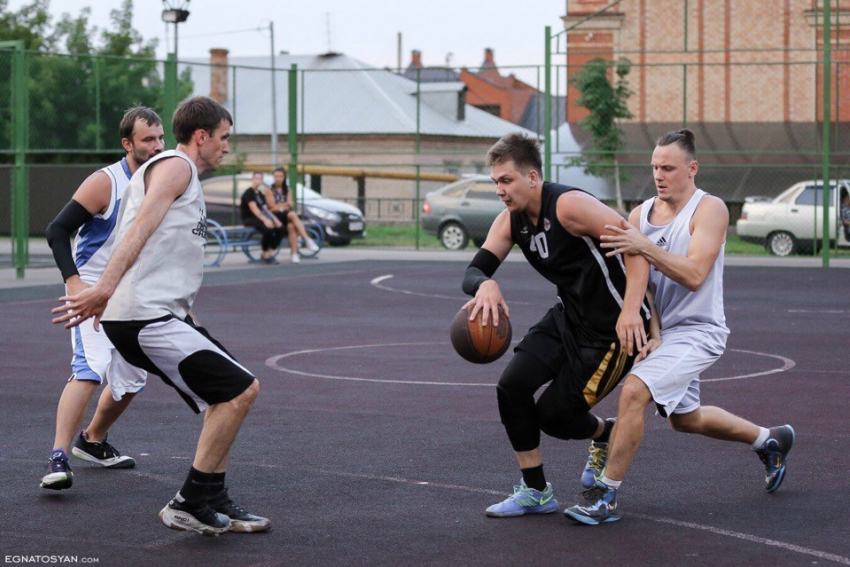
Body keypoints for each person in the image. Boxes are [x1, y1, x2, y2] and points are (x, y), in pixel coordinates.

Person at [52, 96, 269, 536]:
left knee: (225, 396)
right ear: (202, 136)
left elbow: (162, 256)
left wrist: (192, 320)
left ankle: (212, 496)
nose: (227, 147)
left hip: (160, 313)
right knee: (241, 390)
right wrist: (104, 289)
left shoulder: (180, 173)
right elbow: (138, 229)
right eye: (224, 138)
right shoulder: (177, 166)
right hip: (141, 317)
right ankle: (189, 501)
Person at [564, 129, 795, 526]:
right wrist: (652, 329)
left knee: (634, 391)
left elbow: (693, 274)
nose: (659, 175)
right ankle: (769, 439)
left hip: (700, 330)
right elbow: (641, 284)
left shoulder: (711, 210)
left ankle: (606, 496)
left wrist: (645, 246)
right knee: (684, 419)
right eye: (655, 167)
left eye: (668, 168)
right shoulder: (639, 215)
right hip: (666, 333)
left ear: (692, 168)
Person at [462, 133, 659, 518]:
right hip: (568, 316)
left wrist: (633, 311)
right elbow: (474, 269)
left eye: (507, 180)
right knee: (512, 386)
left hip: (613, 331)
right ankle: (536, 492)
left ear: (532, 177)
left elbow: (637, 248)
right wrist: (485, 283)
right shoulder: (510, 221)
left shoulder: (569, 206)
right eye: (496, 182)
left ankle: (603, 434)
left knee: (553, 417)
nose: (500, 190)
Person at [41, 107, 164, 490]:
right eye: (148, 140)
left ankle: (92, 440)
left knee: (132, 378)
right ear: (127, 144)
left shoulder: (164, 180)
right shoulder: (106, 182)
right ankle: (58, 457)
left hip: (133, 290)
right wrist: (75, 283)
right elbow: (57, 230)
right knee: (92, 365)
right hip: (93, 287)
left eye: (161, 138)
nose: (157, 146)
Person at [265, 166, 319, 264]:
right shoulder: (269, 190)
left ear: (284, 177)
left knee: (291, 226)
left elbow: (290, 204)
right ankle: (307, 239)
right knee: (293, 214)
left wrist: (281, 206)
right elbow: (272, 207)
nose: (278, 179)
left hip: (286, 216)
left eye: (280, 176)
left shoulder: (288, 190)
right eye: (276, 176)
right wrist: (283, 207)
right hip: (275, 218)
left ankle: (294, 253)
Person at [240, 171, 283, 264]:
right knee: (268, 229)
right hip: (250, 218)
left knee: (281, 228)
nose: (258, 181)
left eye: (260, 179)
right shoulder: (249, 193)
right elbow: (254, 209)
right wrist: (265, 220)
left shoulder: (259, 193)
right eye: (256, 178)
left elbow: (265, 208)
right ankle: (266, 253)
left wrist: (275, 219)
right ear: (252, 179)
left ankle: (270, 253)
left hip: (260, 217)